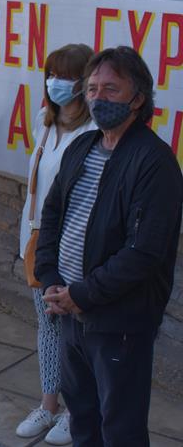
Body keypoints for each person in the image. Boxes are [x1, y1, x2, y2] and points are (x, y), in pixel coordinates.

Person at [36, 46, 183, 447]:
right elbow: (52, 215)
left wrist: (82, 294)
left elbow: (143, 253)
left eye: (111, 89)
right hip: (70, 312)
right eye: (92, 89)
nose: (98, 98)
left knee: (120, 429)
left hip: (119, 322)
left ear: (137, 99)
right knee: (83, 420)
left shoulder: (155, 162)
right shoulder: (82, 147)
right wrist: (50, 278)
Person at [15, 44, 96, 445]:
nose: (56, 83)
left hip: (73, 247)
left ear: (84, 82)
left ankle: (76, 411)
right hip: (36, 242)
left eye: (66, 76)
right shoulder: (44, 123)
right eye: (51, 74)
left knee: (77, 334)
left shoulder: (93, 133)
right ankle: (48, 404)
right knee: (47, 326)